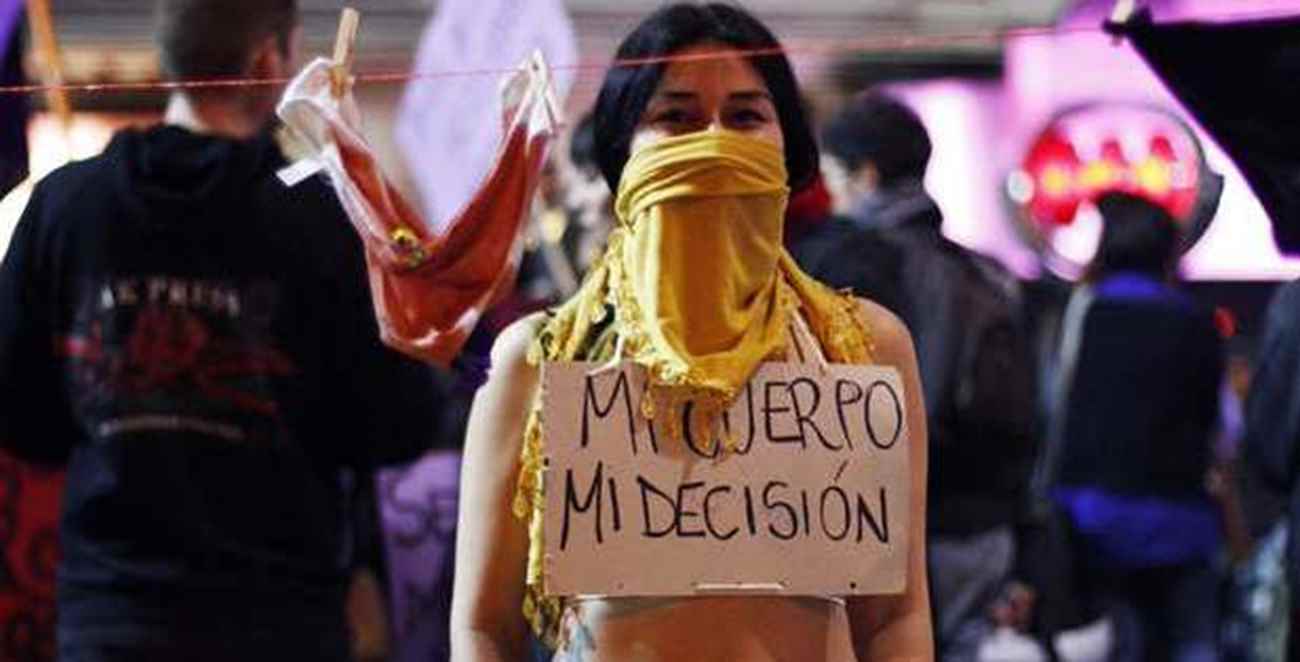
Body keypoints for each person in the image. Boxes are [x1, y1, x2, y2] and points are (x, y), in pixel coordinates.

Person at [449, 4, 931, 661]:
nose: (714, 141)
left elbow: (896, 618)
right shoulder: (542, 359)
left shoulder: (864, 350)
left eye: (745, 116)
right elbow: (485, 627)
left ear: (788, 147)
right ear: (621, 151)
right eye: (675, 117)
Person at [0, 1, 439, 659]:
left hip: (113, 614)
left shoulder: (67, 205)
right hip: (278, 620)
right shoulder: (321, 220)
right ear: (267, 59)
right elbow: (400, 422)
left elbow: (19, 414)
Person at [801, 92, 1037, 661]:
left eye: (834, 177)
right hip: (979, 532)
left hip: (872, 525)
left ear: (865, 175)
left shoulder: (836, 267)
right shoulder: (990, 276)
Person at [1051, 192, 1225, 662]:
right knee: (1191, 642)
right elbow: (1218, 426)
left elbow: (1056, 408)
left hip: (1095, 516)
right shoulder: (1197, 323)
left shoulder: (1085, 311)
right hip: (1181, 520)